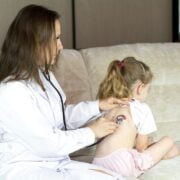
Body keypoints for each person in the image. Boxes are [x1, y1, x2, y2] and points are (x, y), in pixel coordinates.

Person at [0, 4, 127, 180]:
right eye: (56, 39)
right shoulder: (11, 91)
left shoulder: (44, 76)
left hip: (56, 162)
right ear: (35, 42)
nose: (61, 46)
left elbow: (61, 117)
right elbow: (46, 142)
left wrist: (98, 106)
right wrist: (92, 132)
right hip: (24, 168)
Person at [92, 57, 180, 177]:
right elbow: (141, 147)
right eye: (148, 89)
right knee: (169, 142)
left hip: (97, 163)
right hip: (121, 165)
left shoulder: (107, 103)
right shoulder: (141, 109)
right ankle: (164, 153)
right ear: (140, 88)